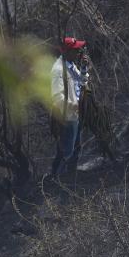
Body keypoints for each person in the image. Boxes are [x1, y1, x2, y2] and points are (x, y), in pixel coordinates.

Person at [48, 36, 90, 178]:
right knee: (67, 151)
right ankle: (58, 180)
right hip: (67, 116)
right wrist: (74, 107)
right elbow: (57, 98)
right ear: (66, 51)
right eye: (75, 50)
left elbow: (82, 81)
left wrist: (83, 68)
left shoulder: (71, 66)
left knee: (74, 147)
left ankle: (68, 178)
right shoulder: (58, 70)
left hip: (75, 115)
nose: (78, 52)